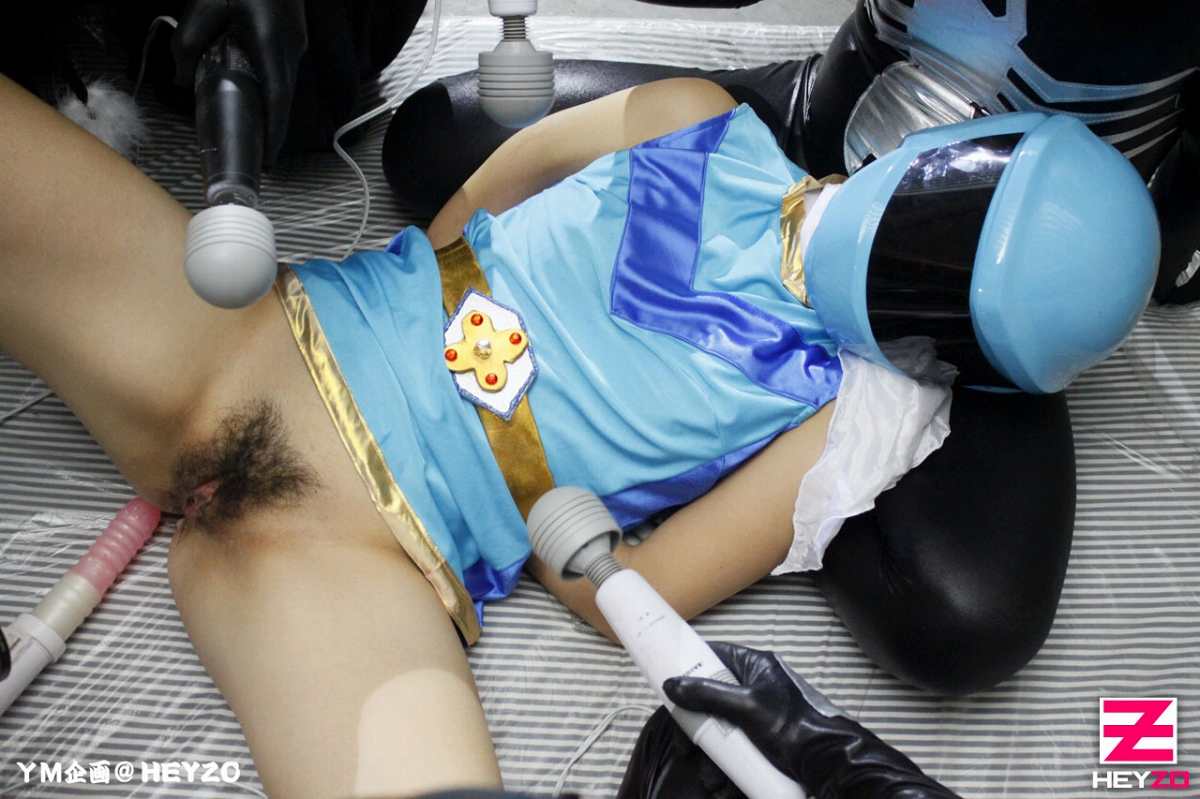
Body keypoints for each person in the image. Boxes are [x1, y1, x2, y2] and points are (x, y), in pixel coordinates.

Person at [0, 70, 1153, 797]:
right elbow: (523, 159)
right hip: (256, 345)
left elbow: (638, 593)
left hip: (365, 564)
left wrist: (511, 465)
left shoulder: (849, 414)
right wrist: (435, 287)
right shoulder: (700, 122)